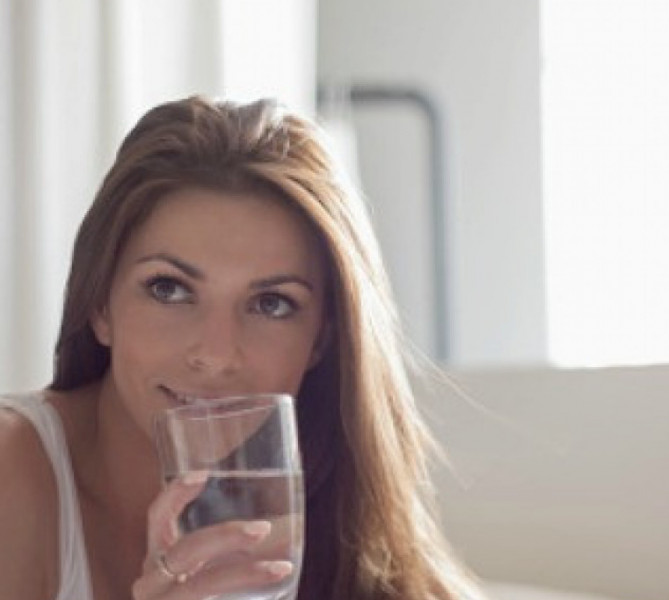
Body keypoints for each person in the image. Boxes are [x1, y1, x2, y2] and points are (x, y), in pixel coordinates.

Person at [0, 96, 484, 600]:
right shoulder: (11, 469)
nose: (216, 355)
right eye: (169, 289)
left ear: (322, 339)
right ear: (101, 305)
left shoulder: (343, 515)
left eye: (271, 304)